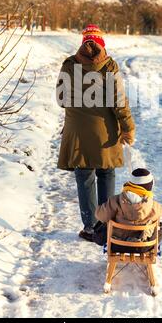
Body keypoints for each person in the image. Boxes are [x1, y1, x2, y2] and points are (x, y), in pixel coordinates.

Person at [57, 24, 135, 242]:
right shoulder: (109, 66)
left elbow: (61, 98)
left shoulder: (69, 65)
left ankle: (90, 228)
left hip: (77, 131)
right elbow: (119, 102)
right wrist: (128, 127)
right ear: (102, 43)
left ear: (83, 43)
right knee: (106, 173)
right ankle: (107, 224)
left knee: (84, 176)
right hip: (106, 131)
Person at [95, 168, 162, 250]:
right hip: (142, 246)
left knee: (104, 224)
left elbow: (100, 216)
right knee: (159, 227)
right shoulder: (155, 206)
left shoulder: (115, 201)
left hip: (117, 244)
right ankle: (145, 243)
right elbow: (159, 216)